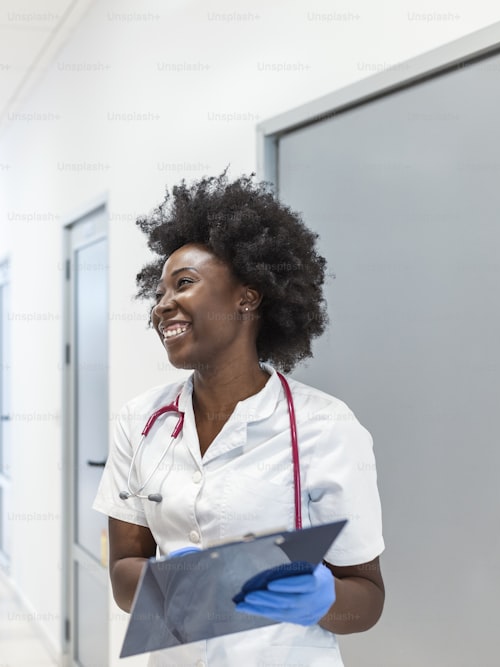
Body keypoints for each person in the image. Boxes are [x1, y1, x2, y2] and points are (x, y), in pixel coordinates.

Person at [93, 172, 385, 666]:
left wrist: (324, 599)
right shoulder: (139, 422)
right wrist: (167, 587)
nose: (162, 306)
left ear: (246, 297)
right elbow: (123, 572)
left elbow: (368, 597)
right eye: (159, 292)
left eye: (182, 284)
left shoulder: (325, 426)